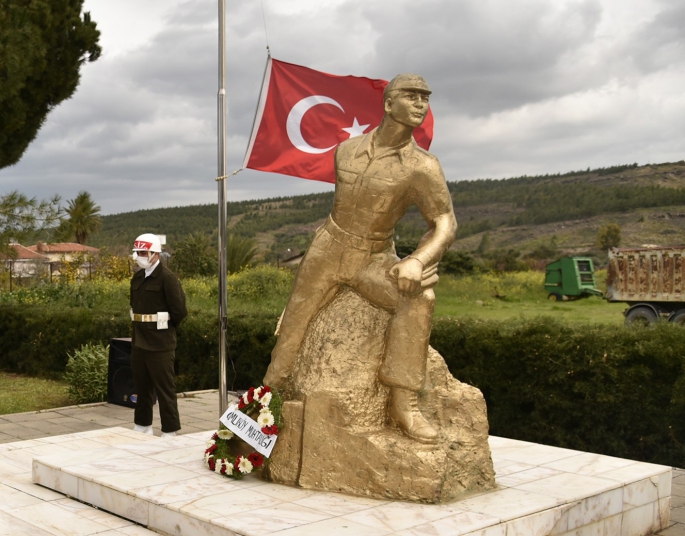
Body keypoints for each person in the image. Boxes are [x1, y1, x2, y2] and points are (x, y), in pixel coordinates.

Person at [264, 74, 457, 443]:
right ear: (388, 103)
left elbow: (445, 222)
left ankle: (404, 403)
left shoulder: (422, 167)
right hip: (328, 247)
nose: (421, 104)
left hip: (374, 255)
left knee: (420, 300)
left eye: (425, 98)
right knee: (293, 323)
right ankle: (267, 400)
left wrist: (418, 259)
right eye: (411, 96)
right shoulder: (346, 150)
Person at [129, 233, 187, 437]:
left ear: (155, 254)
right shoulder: (137, 277)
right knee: (142, 388)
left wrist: (166, 332)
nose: (139, 256)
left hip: (160, 344)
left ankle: (170, 430)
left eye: (143, 253)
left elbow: (179, 311)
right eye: (138, 252)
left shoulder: (167, 278)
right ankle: (143, 425)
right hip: (139, 342)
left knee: (165, 390)